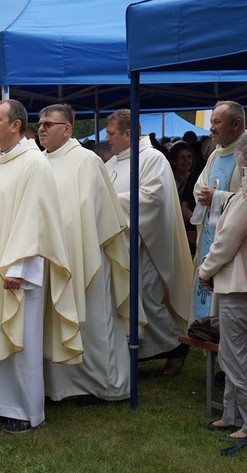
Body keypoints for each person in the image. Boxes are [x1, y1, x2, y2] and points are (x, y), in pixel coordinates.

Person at [0, 100, 81, 433]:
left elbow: (36, 218)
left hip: (18, 266)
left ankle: (23, 409)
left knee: (22, 335)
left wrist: (19, 267)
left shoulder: (33, 162)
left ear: (16, 125)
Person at [37, 104, 131, 404]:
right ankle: (58, 385)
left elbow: (97, 211)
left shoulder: (87, 161)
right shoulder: (37, 162)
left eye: (48, 124)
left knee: (93, 321)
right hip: (51, 255)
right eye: (39, 124)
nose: (41, 129)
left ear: (67, 129)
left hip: (86, 252)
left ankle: (101, 385)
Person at [104, 109, 193, 375]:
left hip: (148, 244)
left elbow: (153, 198)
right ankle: (138, 350)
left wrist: (111, 203)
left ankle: (177, 346)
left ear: (128, 133)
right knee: (128, 298)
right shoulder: (111, 163)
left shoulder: (153, 158)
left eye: (111, 133)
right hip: (121, 243)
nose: (106, 139)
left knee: (149, 299)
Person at [197, 132, 247, 451]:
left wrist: (204, 271)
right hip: (239, 285)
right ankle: (230, 414)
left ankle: (244, 422)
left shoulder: (244, 200)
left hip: (238, 288)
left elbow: (226, 242)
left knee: (234, 356)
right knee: (235, 354)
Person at [191, 101, 245, 322]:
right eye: (211, 122)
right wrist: (205, 196)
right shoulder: (215, 154)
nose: (211, 128)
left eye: (217, 122)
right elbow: (199, 187)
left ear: (237, 124)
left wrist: (218, 198)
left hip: (237, 250)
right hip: (210, 237)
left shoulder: (245, 151)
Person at [169, 141, 200, 255]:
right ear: (173, 161)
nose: (186, 161)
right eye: (182, 157)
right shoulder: (168, 179)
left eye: (189, 157)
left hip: (190, 225)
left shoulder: (197, 179)